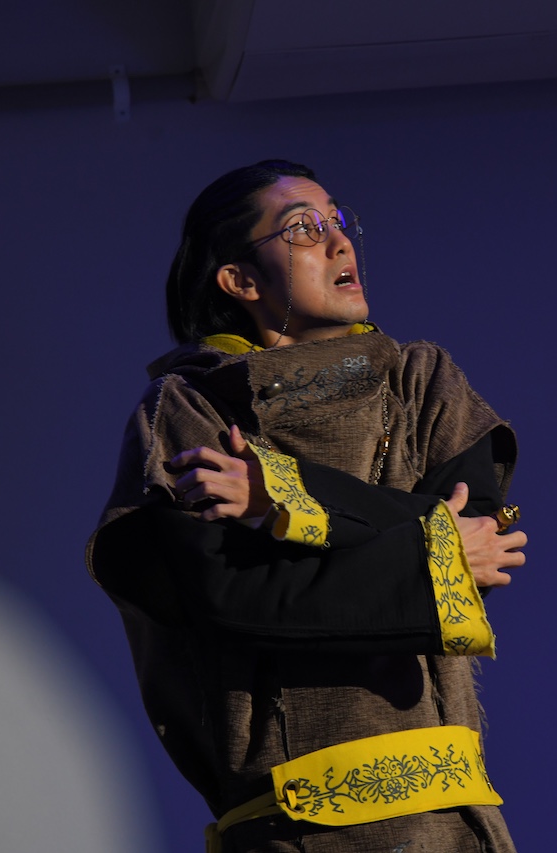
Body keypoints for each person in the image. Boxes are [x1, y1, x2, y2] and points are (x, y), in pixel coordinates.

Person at [86, 159, 526, 853]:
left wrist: (283, 496)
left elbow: (480, 552)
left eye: (339, 222)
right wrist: (430, 549)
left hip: (457, 826)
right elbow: (239, 598)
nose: (339, 241)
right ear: (241, 280)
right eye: (303, 229)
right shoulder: (191, 408)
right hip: (294, 829)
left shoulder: (423, 383)